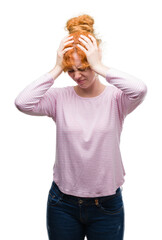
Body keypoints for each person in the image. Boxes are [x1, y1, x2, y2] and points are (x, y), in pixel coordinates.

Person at [14, 14, 147, 240]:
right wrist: (57, 68)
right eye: (71, 70)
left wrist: (99, 66)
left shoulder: (117, 99)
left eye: (84, 67)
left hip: (107, 205)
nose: (77, 76)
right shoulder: (59, 98)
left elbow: (140, 89)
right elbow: (22, 102)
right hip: (62, 204)